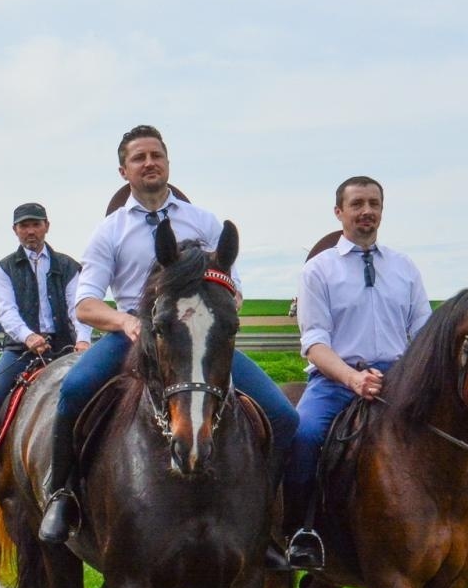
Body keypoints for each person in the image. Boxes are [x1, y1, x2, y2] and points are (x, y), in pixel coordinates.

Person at [39, 124, 299, 545]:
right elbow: (85, 304)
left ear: (167, 162)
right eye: (138, 158)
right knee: (74, 390)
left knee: (283, 417)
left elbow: (234, 287)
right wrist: (125, 322)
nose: (149, 163)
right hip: (133, 334)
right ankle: (61, 494)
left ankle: (266, 522)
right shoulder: (111, 231)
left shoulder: (204, 221)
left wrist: (225, 305)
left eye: (155, 155)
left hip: (195, 339)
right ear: (124, 171)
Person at [283, 176, 431, 569]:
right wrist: (352, 378)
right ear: (339, 212)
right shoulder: (319, 270)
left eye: (374, 203)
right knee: (303, 437)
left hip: (399, 381)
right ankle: (301, 531)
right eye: (357, 204)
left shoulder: (405, 268)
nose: (367, 211)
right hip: (335, 381)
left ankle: (458, 529)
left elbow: (423, 333)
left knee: (452, 433)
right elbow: (314, 342)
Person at [0, 202, 92, 510]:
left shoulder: (68, 265)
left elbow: (79, 306)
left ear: (47, 226)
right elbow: (6, 310)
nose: (30, 231)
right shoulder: (6, 267)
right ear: (15, 230)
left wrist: (83, 341)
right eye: (24, 226)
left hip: (65, 347)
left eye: (35, 224)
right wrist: (28, 336)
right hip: (21, 348)